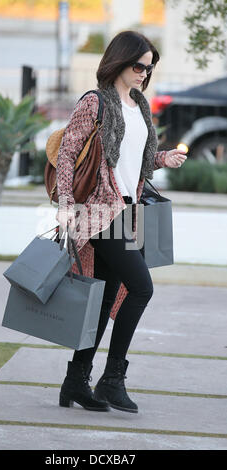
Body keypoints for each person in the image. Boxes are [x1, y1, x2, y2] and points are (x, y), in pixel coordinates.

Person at [55, 30, 187, 413]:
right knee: (141, 287)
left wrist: (163, 159)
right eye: (138, 65)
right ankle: (111, 380)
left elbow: (137, 161)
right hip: (99, 213)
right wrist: (65, 204)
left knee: (104, 301)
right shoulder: (95, 102)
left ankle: (75, 382)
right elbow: (67, 155)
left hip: (128, 212)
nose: (144, 73)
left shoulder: (140, 105)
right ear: (120, 60)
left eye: (149, 67)